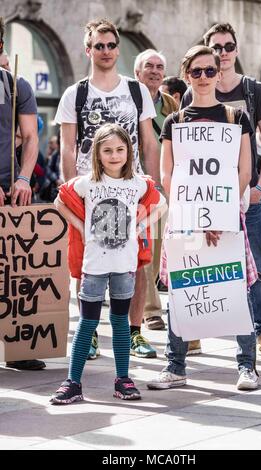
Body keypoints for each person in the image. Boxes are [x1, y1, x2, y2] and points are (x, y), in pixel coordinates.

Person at [147, 45, 259, 391]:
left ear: (219, 72)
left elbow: (244, 169)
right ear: (186, 75)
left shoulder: (235, 118)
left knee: (235, 289)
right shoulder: (174, 121)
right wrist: (196, 215)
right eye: (197, 71)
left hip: (226, 217)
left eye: (210, 70)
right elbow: (168, 173)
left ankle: (247, 367)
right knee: (183, 291)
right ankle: (175, 365)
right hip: (185, 218)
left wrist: (218, 213)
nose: (205, 77)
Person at [55, 18, 160, 361]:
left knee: (137, 262)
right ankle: (91, 334)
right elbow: (68, 148)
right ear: (88, 50)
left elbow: (149, 141)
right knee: (84, 262)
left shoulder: (135, 90)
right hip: (91, 191)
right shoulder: (76, 93)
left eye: (110, 45)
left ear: (118, 48)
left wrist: (153, 187)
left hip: (132, 189)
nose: (105, 51)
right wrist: (74, 194)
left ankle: (134, 333)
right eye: (98, 45)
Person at [181, 23, 261, 360]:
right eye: (216, 48)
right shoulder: (192, 92)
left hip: (243, 196)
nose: (222, 54)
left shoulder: (254, 91)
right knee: (199, 263)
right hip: (203, 198)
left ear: (235, 50)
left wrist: (259, 186)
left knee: (256, 265)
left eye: (227, 47)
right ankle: (194, 333)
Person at [50, 123, 165, 404]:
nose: (114, 155)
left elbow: (161, 204)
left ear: (129, 152)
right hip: (93, 267)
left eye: (120, 149)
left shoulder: (137, 183)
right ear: (98, 154)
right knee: (87, 324)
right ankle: (73, 382)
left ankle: (123, 378)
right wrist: (79, 225)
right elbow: (59, 201)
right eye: (108, 150)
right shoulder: (87, 182)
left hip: (124, 266)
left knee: (120, 323)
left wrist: (141, 224)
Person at [0, 18, 45, 370]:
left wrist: (24, 179)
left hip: (10, 191)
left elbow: (30, 137)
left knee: (15, 274)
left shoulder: (17, 85)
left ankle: (17, 343)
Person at [134, 49, 177, 333]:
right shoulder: (129, 97)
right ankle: (151, 311)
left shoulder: (172, 103)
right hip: (135, 184)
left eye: (159, 66)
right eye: (148, 66)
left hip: (163, 184)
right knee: (145, 246)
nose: (154, 71)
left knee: (160, 244)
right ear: (137, 72)